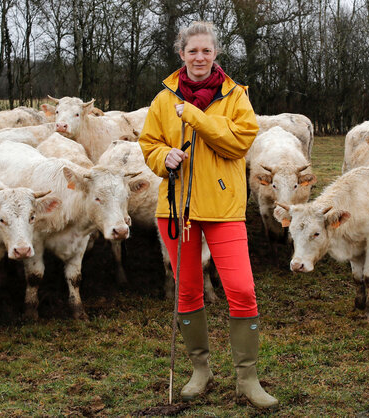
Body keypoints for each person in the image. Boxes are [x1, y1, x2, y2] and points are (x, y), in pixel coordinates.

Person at [139, 21, 278, 409]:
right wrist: (161, 156)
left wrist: (197, 118)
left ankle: (247, 378)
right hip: (177, 209)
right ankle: (200, 370)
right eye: (192, 51)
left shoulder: (236, 96)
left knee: (242, 290)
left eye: (207, 50)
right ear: (181, 54)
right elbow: (149, 144)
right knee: (187, 290)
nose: (200, 57)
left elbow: (239, 141)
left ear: (216, 53)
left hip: (223, 209)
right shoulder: (163, 100)